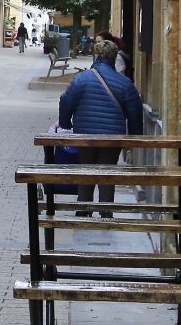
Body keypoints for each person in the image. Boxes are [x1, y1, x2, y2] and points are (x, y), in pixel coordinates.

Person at [58, 39, 144, 215]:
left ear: (96, 55)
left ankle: (83, 209)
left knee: (85, 170)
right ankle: (105, 211)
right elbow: (135, 112)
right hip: (112, 138)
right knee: (107, 172)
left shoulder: (81, 79)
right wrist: (135, 137)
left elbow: (65, 101)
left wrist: (66, 124)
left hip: (84, 136)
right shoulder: (125, 83)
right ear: (114, 58)